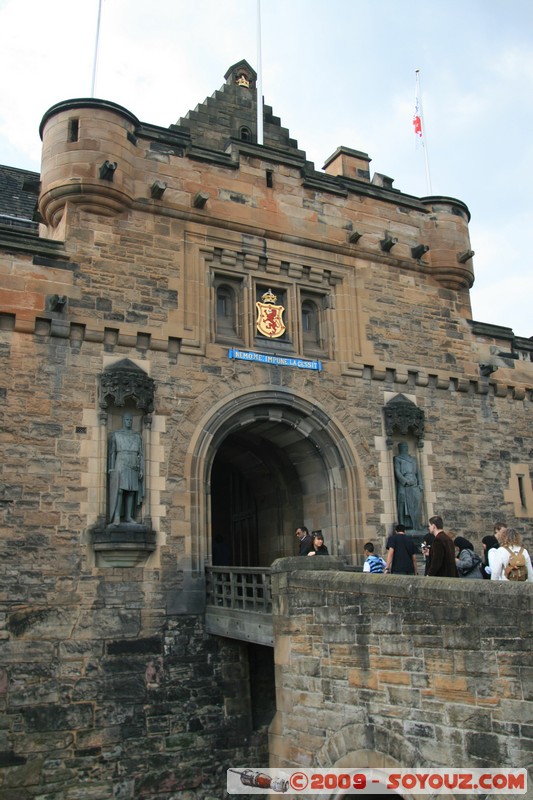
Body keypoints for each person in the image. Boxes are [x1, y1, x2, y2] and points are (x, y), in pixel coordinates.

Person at [108, 412, 144, 525]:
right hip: (121, 461)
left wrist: (141, 468)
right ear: (123, 420)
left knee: (131, 491)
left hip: (133, 462)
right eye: (127, 420)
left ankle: (128, 516)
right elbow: (112, 453)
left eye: (130, 420)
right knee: (120, 489)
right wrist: (111, 467)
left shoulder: (136, 436)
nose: (129, 422)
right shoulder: (116, 434)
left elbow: (141, 454)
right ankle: (117, 516)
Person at [394, 442, 423, 530]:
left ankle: (416, 525)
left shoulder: (413, 459)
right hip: (404, 483)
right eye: (403, 447)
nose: (405, 449)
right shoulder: (397, 458)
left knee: (416, 503)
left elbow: (418, 473)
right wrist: (405, 481)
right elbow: (397, 471)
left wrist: (420, 484)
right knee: (402, 502)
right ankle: (402, 525)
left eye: (406, 447)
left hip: (414, 483)